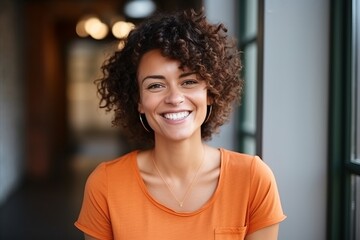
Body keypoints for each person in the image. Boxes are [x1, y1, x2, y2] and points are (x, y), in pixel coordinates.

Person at [75, 8, 286, 240]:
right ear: (138, 102)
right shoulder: (105, 184)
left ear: (210, 92)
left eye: (189, 82)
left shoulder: (253, 179)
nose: (174, 98)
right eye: (156, 85)